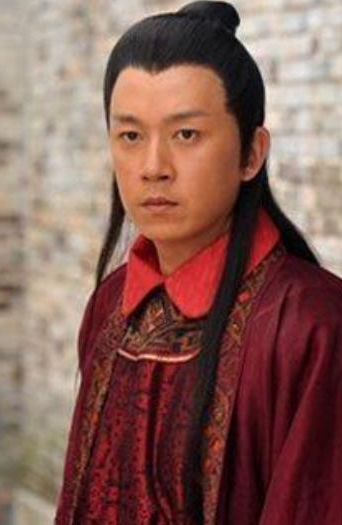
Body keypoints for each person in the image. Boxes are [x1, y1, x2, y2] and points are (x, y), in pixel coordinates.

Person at [55, 2, 342, 524]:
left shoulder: (313, 326)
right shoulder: (109, 307)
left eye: (186, 134)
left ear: (251, 153)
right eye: (130, 136)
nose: (153, 168)